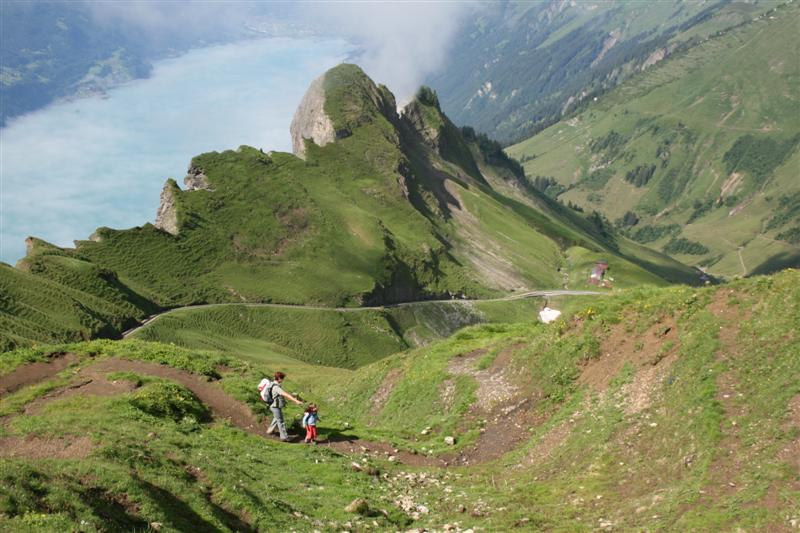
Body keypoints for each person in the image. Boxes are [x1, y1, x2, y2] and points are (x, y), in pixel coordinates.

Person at [266, 371, 303, 442]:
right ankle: (284, 437)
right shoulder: (276, 387)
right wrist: (296, 401)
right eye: (282, 378)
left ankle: (269, 430)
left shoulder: (271, 384)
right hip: (275, 406)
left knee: (276, 418)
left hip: (272, 405)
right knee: (280, 421)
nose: (283, 380)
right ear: (279, 378)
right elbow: (285, 394)